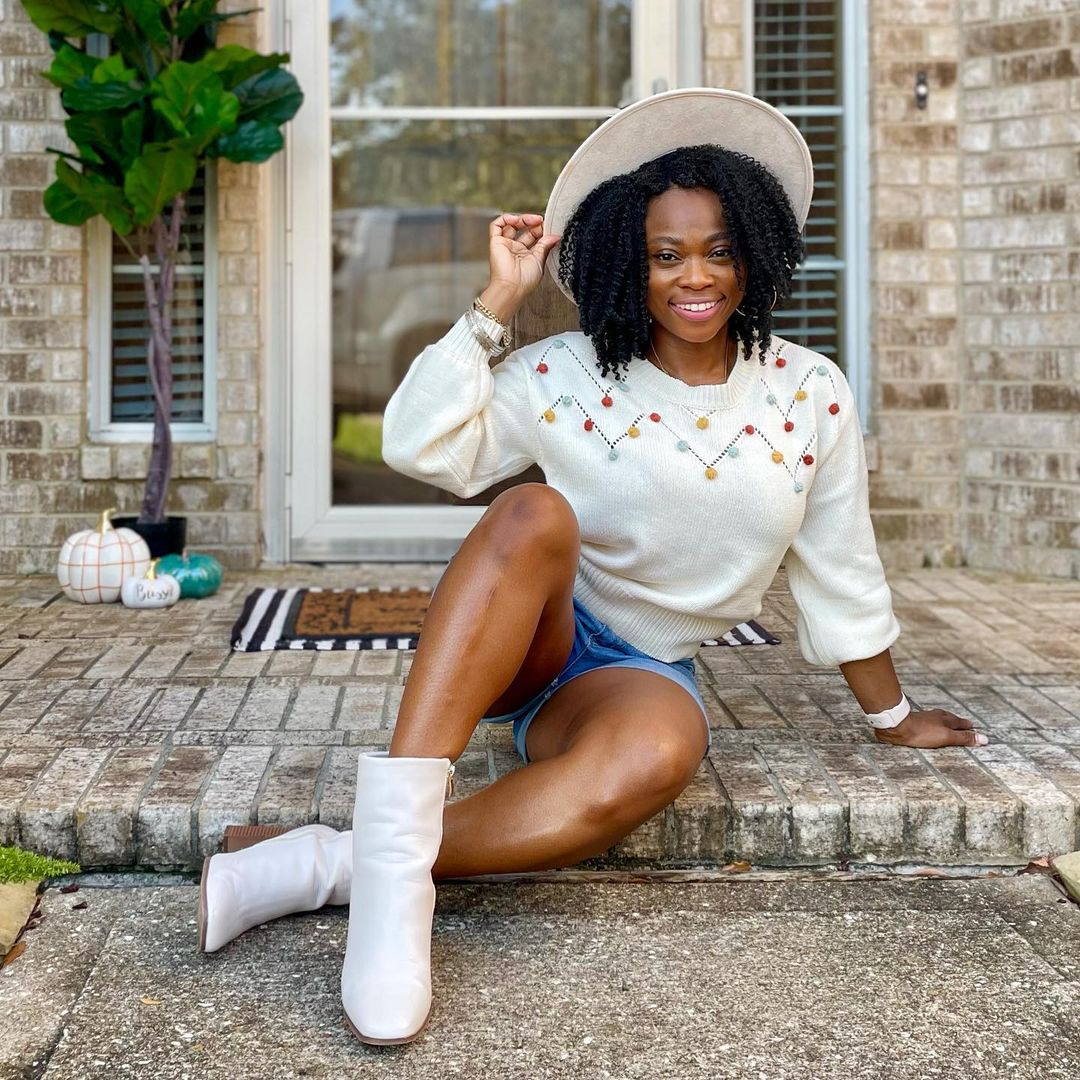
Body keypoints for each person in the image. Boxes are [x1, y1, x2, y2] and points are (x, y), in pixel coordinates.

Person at [198, 88, 987, 1046]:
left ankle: (340, 864)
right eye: (666, 255)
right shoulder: (568, 373)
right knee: (532, 511)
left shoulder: (809, 391)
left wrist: (893, 717)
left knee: (663, 752)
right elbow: (414, 442)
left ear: (755, 253)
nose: (694, 277)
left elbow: (841, 562)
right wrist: (500, 299)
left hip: (631, 674)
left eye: (719, 249)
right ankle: (393, 903)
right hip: (534, 636)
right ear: (629, 260)